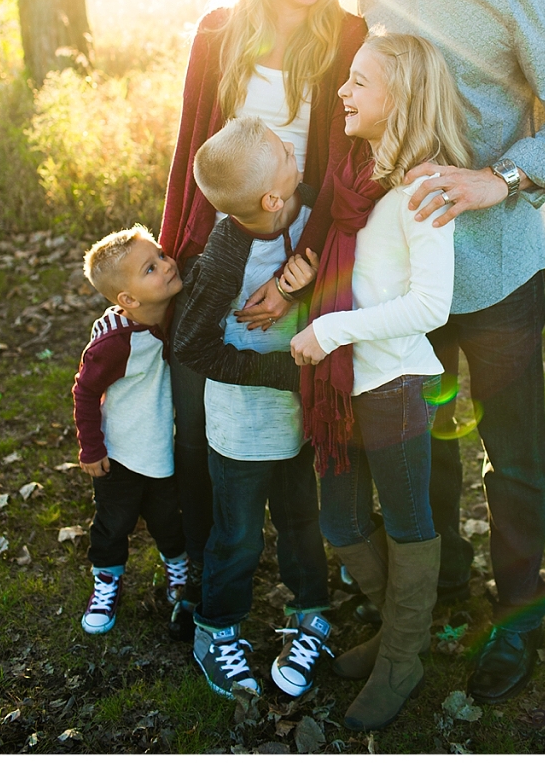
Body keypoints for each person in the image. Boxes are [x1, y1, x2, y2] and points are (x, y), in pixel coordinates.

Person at [319, 0, 545, 704]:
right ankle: (438, 594)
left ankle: (518, 614)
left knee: (512, 452)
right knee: (424, 440)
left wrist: (501, 176)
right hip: (414, 276)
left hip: (496, 272)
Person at [158, 0, 366, 601]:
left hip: (308, 246)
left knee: (293, 413)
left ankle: (318, 569)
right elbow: (190, 151)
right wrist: (171, 256)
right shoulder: (219, 33)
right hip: (216, 246)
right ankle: (202, 572)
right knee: (199, 422)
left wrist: (298, 272)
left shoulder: (345, 37)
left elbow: (341, 170)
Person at [291, 31, 468, 731]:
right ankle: (402, 631)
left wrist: (328, 330)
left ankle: (401, 656)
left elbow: (432, 306)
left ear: (404, 98)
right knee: (339, 518)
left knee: (408, 523)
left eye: (361, 81)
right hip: (342, 393)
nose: (344, 91)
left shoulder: (423, 186)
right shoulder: (359, 176)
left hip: (392, 384)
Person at [173, 116, 332, 700]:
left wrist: (305, 280)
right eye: (282, 152)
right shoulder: (225, 255)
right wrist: (279, 372)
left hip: (302, 416)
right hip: (242, 424)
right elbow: (191, 342)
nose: (295, 149)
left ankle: (312, 613)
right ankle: (216, 629)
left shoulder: (310, 208)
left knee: (300, 521)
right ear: (271, 197)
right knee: (238, 535)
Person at [72, 226, 189, 635]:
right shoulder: (115, 342)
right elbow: (85, 393)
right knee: (113, 521)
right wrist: (91, 449)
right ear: (129, 300)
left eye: (160, 254)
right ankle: (106, 582)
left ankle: (179, 571)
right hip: (119, 453)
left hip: (161, 448)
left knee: (168, 519)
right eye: (151, 267)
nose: (167, 263)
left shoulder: (176, 314)